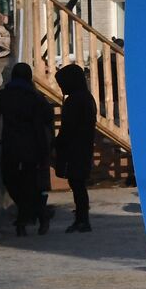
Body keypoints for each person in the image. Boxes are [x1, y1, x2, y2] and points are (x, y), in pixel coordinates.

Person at [0, 62, 54, 236]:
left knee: (11, 181)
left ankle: (25, 219)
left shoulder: (4, 95)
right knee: (30, 183)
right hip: (33, 144)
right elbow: (48, 116)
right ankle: (38, 214)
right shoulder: (35, 96)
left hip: (11, 144)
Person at [54, 63, 98, 234]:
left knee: (77, 183)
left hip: (76, 148)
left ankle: (82, 219)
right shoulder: (85, 97)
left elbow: (69, 128)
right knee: (77, 183)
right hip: (82, 146)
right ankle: (81, 218)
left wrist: (58, 143)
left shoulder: (76, 100)